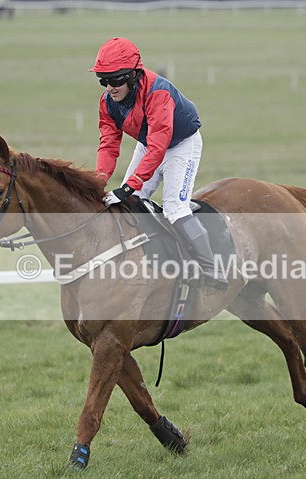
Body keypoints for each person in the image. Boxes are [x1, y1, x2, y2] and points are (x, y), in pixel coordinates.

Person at [90, 37, 227, 291]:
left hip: (180, 144)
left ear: (133, 75)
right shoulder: (106, 102)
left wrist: (129, 186)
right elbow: (109, 144)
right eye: (103, 80)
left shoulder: (158, 93)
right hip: (149, 143)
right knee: (127, 206)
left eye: (116, 79)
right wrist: (99, 181)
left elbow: (158, 147)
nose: (109, 87)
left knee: (174, 207)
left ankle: (212, 267)